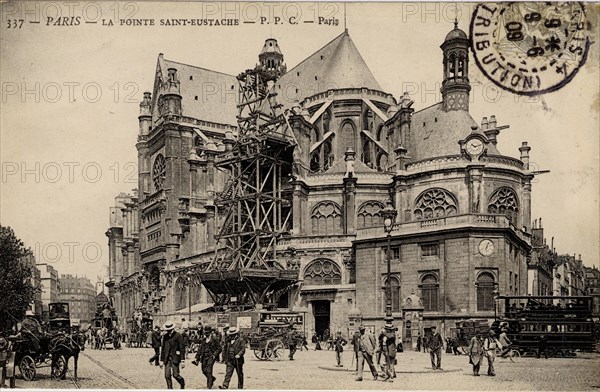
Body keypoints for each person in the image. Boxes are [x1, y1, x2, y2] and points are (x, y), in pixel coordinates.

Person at [160, 321, 186, 389]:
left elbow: (182, 348)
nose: (169, 332)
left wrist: (183, 360)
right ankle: (170, 388)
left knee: (176, 375)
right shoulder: (165, 336)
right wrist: (161, 360)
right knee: (167, 375)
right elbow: (163, 349)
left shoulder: (178, 336)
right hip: (167, 359)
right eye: (167, 330)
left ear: (173, 329)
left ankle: (182, 383)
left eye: (170, 330)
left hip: (175, 358)